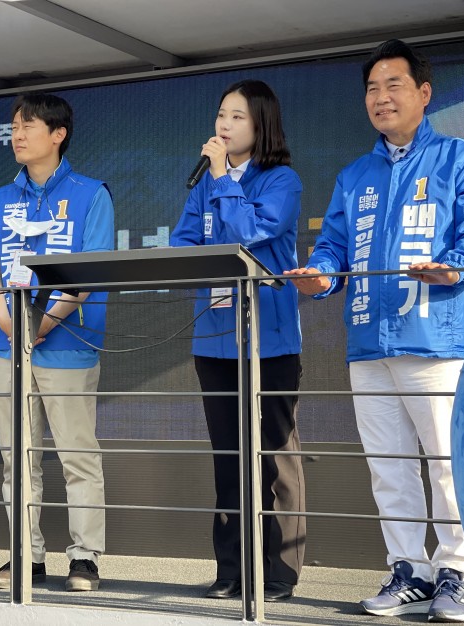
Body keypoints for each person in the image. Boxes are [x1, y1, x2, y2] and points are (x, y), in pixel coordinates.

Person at [285, 39, 464, 622]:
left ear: (423, 93)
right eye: (372, 88)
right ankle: (410, 570)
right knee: (389, 466)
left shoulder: (462, 159)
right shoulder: (354, 175)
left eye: (393, 85)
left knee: (448, 465)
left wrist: (453, 267)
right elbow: (334, 248)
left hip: (437, 339)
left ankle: (458, 575)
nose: (381, 98)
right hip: (368, 342)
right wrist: (319, 276)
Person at [170, 79, 305, 602]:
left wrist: (224, 178)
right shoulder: (207, 182)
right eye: (221, 115)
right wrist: (218, 182)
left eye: (237, 117)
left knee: (273, 457)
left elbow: (250, 232)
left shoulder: (282, 180)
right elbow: (184, 243)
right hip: (215, 340)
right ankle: (231, 568)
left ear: (261, 124)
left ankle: (279, 572)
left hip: (269, 342)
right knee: (228, 458)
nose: (224, 125)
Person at [0, 93, 114, 592]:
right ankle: (25, 556)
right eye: (14, 125)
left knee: (77, 454)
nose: (17, 134)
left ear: (58, 134)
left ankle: (85, 558)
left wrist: (42, 324)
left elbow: (89, 273)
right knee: (17, 456)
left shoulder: (91, 194)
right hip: (7, 346)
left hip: (69, 344)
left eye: (28, 125)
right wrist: (8, 321)